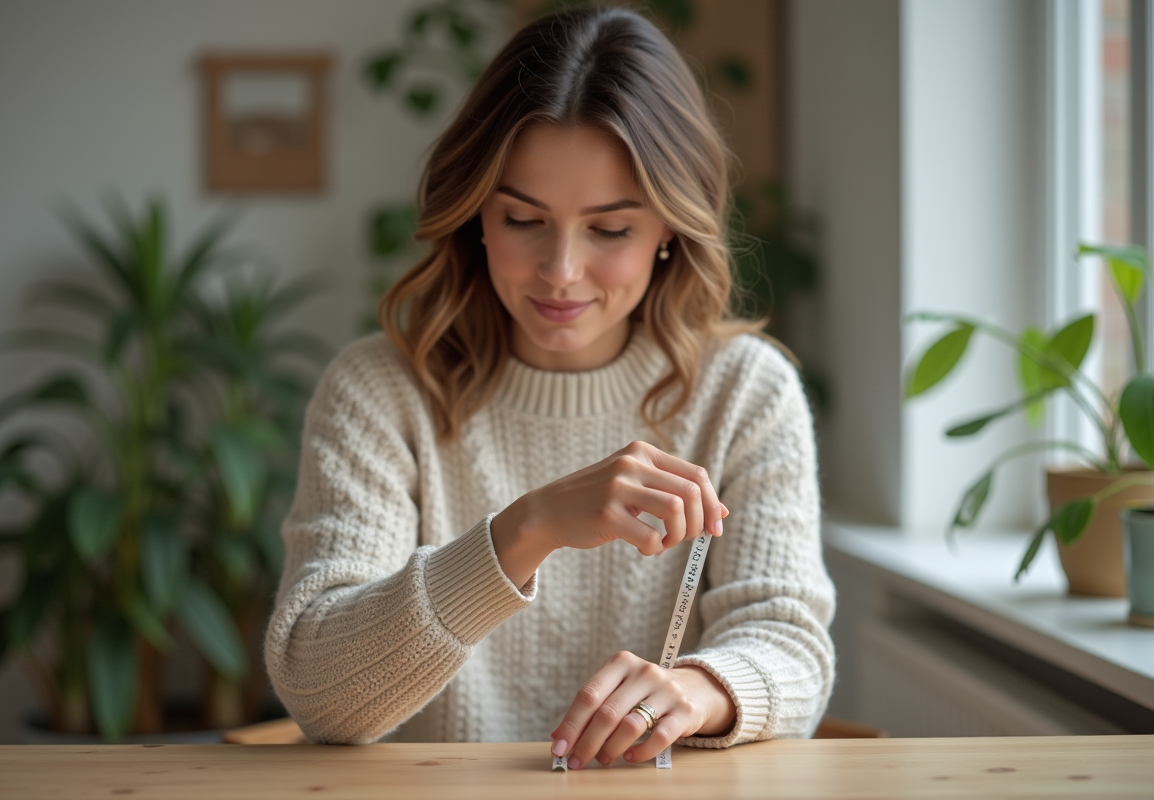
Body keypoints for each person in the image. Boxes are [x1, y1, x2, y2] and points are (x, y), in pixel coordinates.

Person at [264, 4, 835, 769]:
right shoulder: (379, 393)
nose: (561, 271)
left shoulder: (746, 392)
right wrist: (526, 530)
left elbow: (791, 645)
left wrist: (698, 690)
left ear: (670, 227)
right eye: (522, 219)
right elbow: (320, 691)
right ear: (476, 214)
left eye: (610, 229)